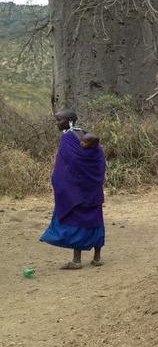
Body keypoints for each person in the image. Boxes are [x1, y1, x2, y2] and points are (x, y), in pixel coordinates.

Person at [40, 109, 107, 269]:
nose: (57, 123)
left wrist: (61, 181)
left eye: (59, 120)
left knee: (77, 221)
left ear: (69, 121)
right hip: (92, 189)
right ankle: (97, 258)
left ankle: (77, 261)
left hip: (76, 191)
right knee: (95, 221)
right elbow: (99, 159)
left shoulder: (68, 137)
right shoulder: (85, 133)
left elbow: (70, 164)